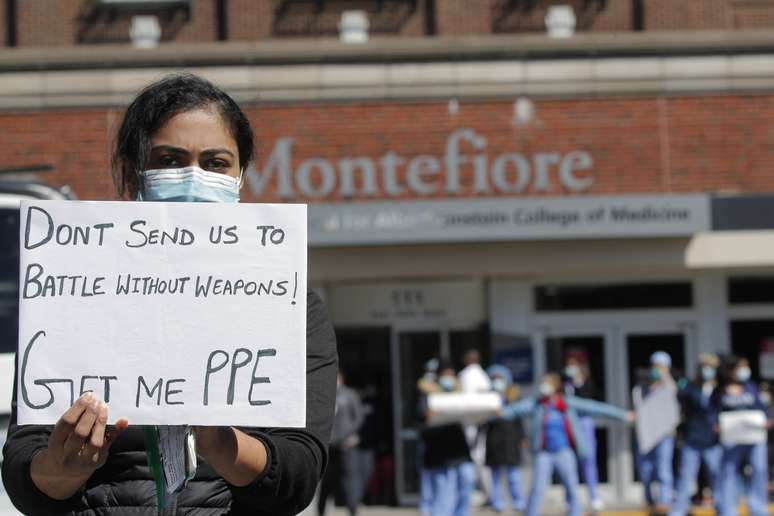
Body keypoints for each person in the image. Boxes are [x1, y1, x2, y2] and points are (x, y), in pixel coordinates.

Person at [1, 74, 338, 516]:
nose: (193, 178)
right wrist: (62, 467)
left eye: (216, 163)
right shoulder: (70, 292)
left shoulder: (290, 304)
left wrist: (220, 441)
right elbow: (27, 474)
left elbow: (297, 477)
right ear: (130, 171)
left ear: (241, 177)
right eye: (170, 160)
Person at [502, 372, 632, 516]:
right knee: (537, 487)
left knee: (571, 486)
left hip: (563, 451)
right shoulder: (537, 404)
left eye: (547, 383)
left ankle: (574, 513)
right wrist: (494, 411)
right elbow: (514, 410)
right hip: (544, 453)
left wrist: (622, 415)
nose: (543, 387)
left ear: (556, 387)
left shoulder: (566, 403)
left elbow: (596, 407)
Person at [711, 356, 771, 516]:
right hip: (731, 438)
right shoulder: (720, 390)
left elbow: (762, 407)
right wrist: (715, 425)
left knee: (759, 469)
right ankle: (728, 510)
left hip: (754, 437)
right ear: (731, 371)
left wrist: (767, 420)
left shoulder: (751, 387)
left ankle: (758, 509)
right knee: (729, 472)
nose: (745, 371)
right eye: (741, 368)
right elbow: (712, 412)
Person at [419, 360, 475, 516]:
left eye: (451, 374)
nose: (448, 377)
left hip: (460, 450)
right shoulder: (427, 394)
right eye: (445, 374)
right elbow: (421, 419)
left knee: (467, 480)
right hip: (440, 451)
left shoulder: (459, 393)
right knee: (444, 493)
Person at [669, 353, 722, 516]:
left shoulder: (719, 389)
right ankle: (678, 510)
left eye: (711, 367)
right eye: (704, 367)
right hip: (692, 438)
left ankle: (724, 508)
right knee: (685, 477)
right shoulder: (691, 387)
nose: (707, 370)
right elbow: (679, 396)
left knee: (717, 476)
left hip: (713, 440)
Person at [634, 351, 677, 513]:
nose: (657, 370)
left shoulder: (670, 385)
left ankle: (664, 501)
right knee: (645, 469)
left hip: (664, 435)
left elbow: (672, 390)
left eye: (661, 367)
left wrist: (665, 376)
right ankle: (648, 499)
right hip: (646, 435)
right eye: (655, 366)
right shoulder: (643, 386)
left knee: (663, 469)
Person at [318, 372, 365, 516]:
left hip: (345, 446)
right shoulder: (325, 396)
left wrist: (348, 434)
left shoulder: (350, 395)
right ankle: (321, 510)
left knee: (349, 479)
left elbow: (359, 418)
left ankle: (352, 509)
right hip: (329, 446)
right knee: (326, 480)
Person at [562, 355, 604, 512]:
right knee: (569, 464)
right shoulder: (564, 384)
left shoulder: (586, 382)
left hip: (584, 424)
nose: (571, 369)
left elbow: (587, 400)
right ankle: (570, 499)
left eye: (574, 366)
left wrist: (578, 383)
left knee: (588, 461)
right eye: (568, 366)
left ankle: (594, 496)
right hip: (568, 425)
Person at [484, 365, 526, 513]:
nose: (497, 381)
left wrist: (522, 438)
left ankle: (518, 502)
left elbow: (519, 420)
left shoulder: (514, 396)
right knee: (495, 476)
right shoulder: (487, 397)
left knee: (513, 475)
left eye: (500, 378)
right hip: (494, 441)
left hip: (511, 441)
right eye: (494, 378)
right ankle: (497, 502)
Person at [457, 348, 492, 503]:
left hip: (474, 423)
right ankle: (480, 493)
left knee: (476, 459)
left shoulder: (471, 375)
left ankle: (483, 493)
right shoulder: (481, 375)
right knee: (475, 459)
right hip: (472, 421)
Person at [417, 358, 440, 516]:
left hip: (440, 438)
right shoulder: (422, 390)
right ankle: (426, 507)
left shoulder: (442, 390)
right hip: (427, 438)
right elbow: (419, 413)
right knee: (427, 474)